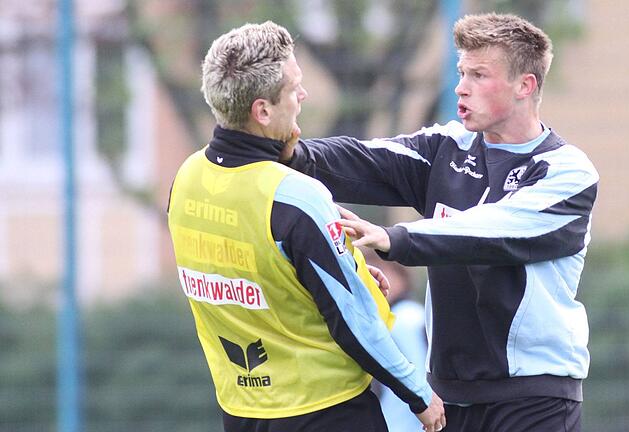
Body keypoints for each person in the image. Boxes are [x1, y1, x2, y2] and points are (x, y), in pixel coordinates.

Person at [285, 12, 598, 432]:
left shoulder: (567, 173)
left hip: (533, 399)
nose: (461, 87)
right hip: (449, 398)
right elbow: (364, 157)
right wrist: (280, 153)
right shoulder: (447, 147)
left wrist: (396, 237)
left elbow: (491, 231)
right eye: (461, 72)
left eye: (479, 75)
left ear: (525, 85)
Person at [166, 21, 445, 432]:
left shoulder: (186, 179)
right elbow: (352, 319)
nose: (303, 95)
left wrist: (339, 267)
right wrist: (417, 393)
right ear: (262, 111)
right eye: (293, 87)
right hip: (324, 411)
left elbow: (239, 272)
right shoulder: (294, 195)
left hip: (242, 409)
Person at [366, 253, 428, 432]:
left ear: (401, 277)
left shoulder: (404, 318)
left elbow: (421, 377)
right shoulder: (410, 315)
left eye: (384, 271)